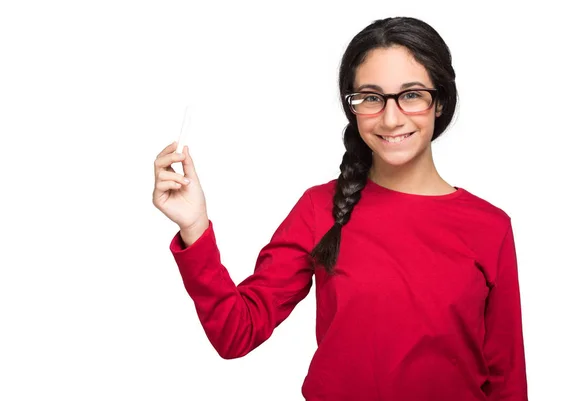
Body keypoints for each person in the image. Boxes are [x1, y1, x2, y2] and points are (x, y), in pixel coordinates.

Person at [152, 16, 528, 401]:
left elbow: (507, 380)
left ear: (440, 101)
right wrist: (195, 228)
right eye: (371, 97)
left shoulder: (489, 227)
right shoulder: (319, 209)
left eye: (411, 94)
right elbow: (237, 333)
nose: (391, 117)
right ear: (353, 107)